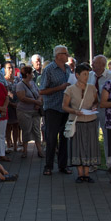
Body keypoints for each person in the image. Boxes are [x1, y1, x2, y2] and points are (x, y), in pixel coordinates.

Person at [62, 63, 100, 182]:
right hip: (77, 121)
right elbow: (64, 106)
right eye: (84, 74)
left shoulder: (92, 88)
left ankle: (87, 173)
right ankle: (79, 174)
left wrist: (94, 106)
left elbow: (96, 101)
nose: (86, 76)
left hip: (90, 120)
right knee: (78, 146)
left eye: (88, 74)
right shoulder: (70, 89)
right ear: (77, 75)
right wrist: (74, 111)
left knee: (89, 145)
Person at [39, 45, 73, 175]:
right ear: (58, 55)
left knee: (65, 137)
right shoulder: (49, 70)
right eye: (65, 53)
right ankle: (48, 166)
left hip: (66, 107)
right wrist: (60, 87)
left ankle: (63, 165)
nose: (67, 55)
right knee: (52, 138)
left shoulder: (68, 68)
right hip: (53, 108)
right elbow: (42, 90)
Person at [15, 65, 44, 159]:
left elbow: (39, 94)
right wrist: (35, 101)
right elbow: (22, 98)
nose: (33, 74)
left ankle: (40, 150)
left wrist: (38, 102)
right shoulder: (20, 85)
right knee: (26, 130)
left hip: (35, 111)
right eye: (31, 73)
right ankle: (25, 150)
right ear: (27, 74)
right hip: (24, 111)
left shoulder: (33, 83)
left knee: (36, 130)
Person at [90, 55, 111, 169]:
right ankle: (93, 162)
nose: (92, 65)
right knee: (92, 136)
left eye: (94, 63)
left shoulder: (110, 76)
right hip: (92, 109)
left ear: (103, 65)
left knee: (108, 136)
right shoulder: (89, 76)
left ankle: (110, 163)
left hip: (106, 109)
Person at [3, 62, 20, 152]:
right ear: (5, 69)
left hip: (17, 105)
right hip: (8, 106)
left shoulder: (17, 79)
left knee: (16, 125)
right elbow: (4, 94)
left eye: (12, 68)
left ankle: (16, 145)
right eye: (9, 68)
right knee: (8, 126)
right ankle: (8, 144)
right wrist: (11, 104)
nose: (11, 70)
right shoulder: (3, 80)